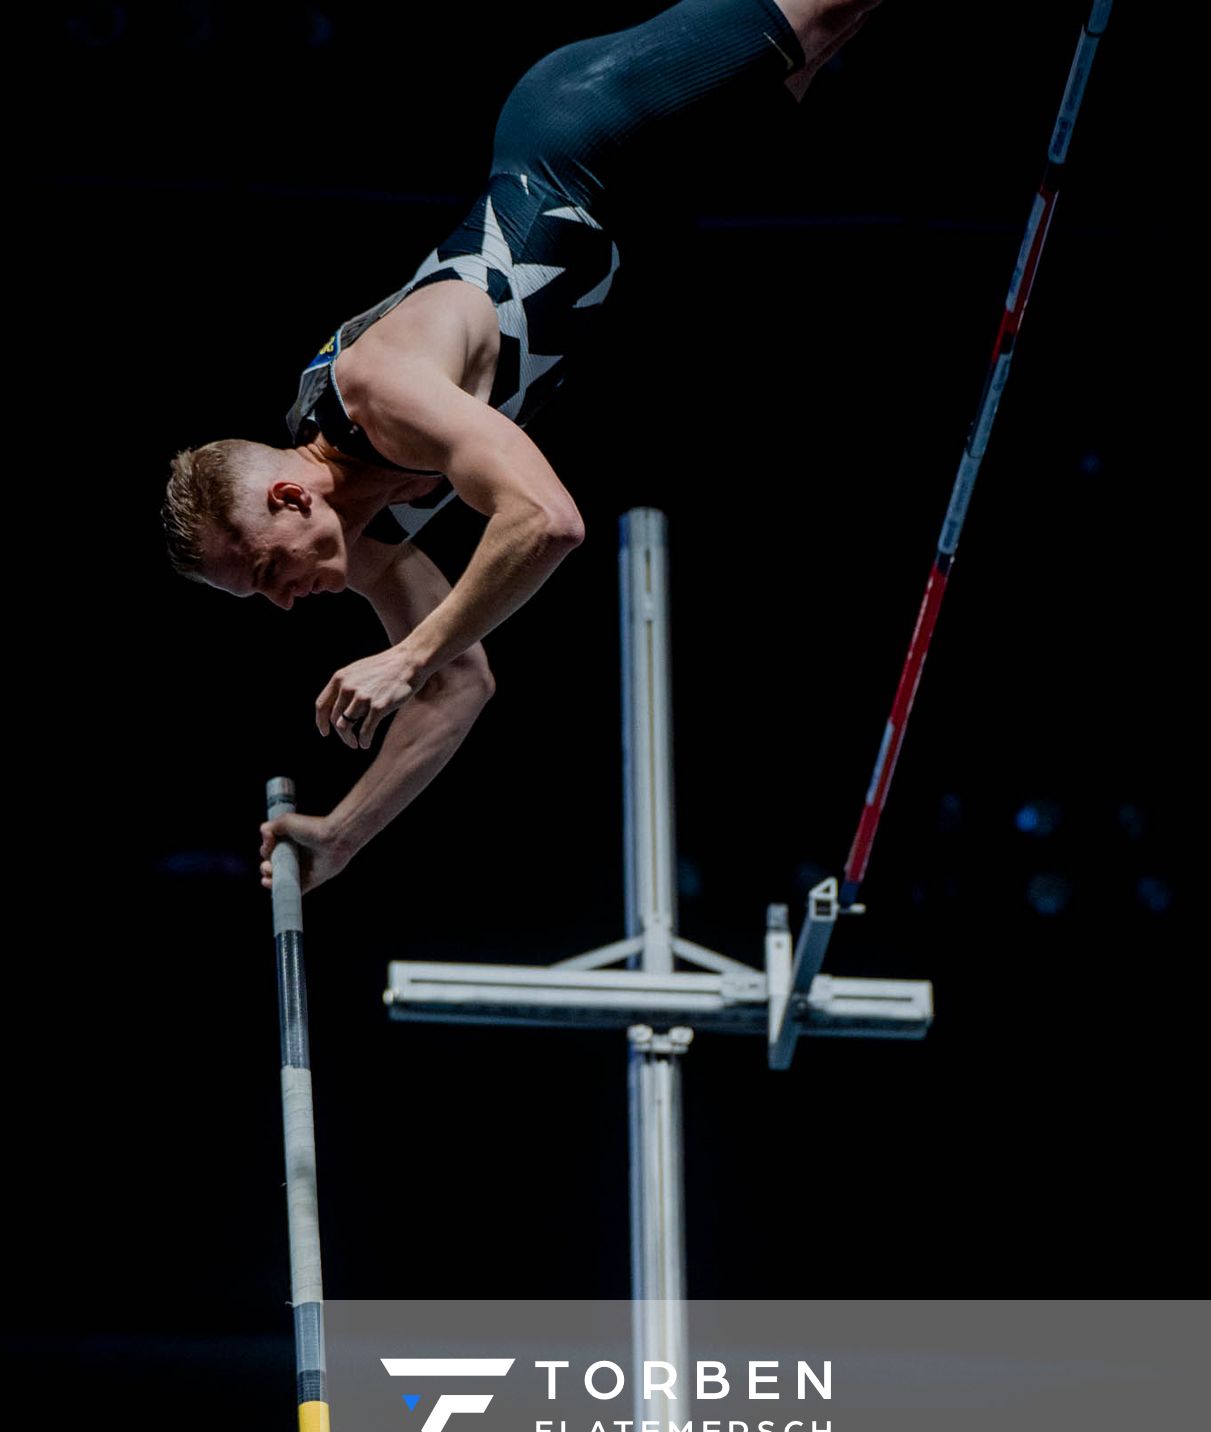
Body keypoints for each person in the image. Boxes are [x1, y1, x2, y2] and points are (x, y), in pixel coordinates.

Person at [161, 0, 883, 894]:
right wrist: (341, 835)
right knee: (835, 41)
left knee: (818, 15)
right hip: (646, 204)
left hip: (591, 131)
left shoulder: (381, 393)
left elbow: (546, 521)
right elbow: (459, 686)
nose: (283, 605)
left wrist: (406, 654)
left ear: (287, 498)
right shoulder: (375, 541)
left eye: (267, 575)